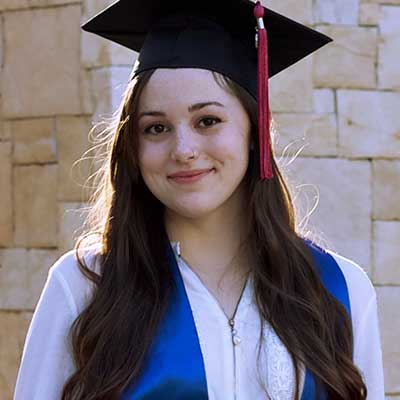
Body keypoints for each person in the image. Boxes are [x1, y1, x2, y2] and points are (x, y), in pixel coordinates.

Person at [14, 0, 385, 399]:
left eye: (207, 120)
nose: (184, 149)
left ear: (256, 129)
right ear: (133, 146)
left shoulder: (339, 289)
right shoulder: (85, 288)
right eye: (156, 128)